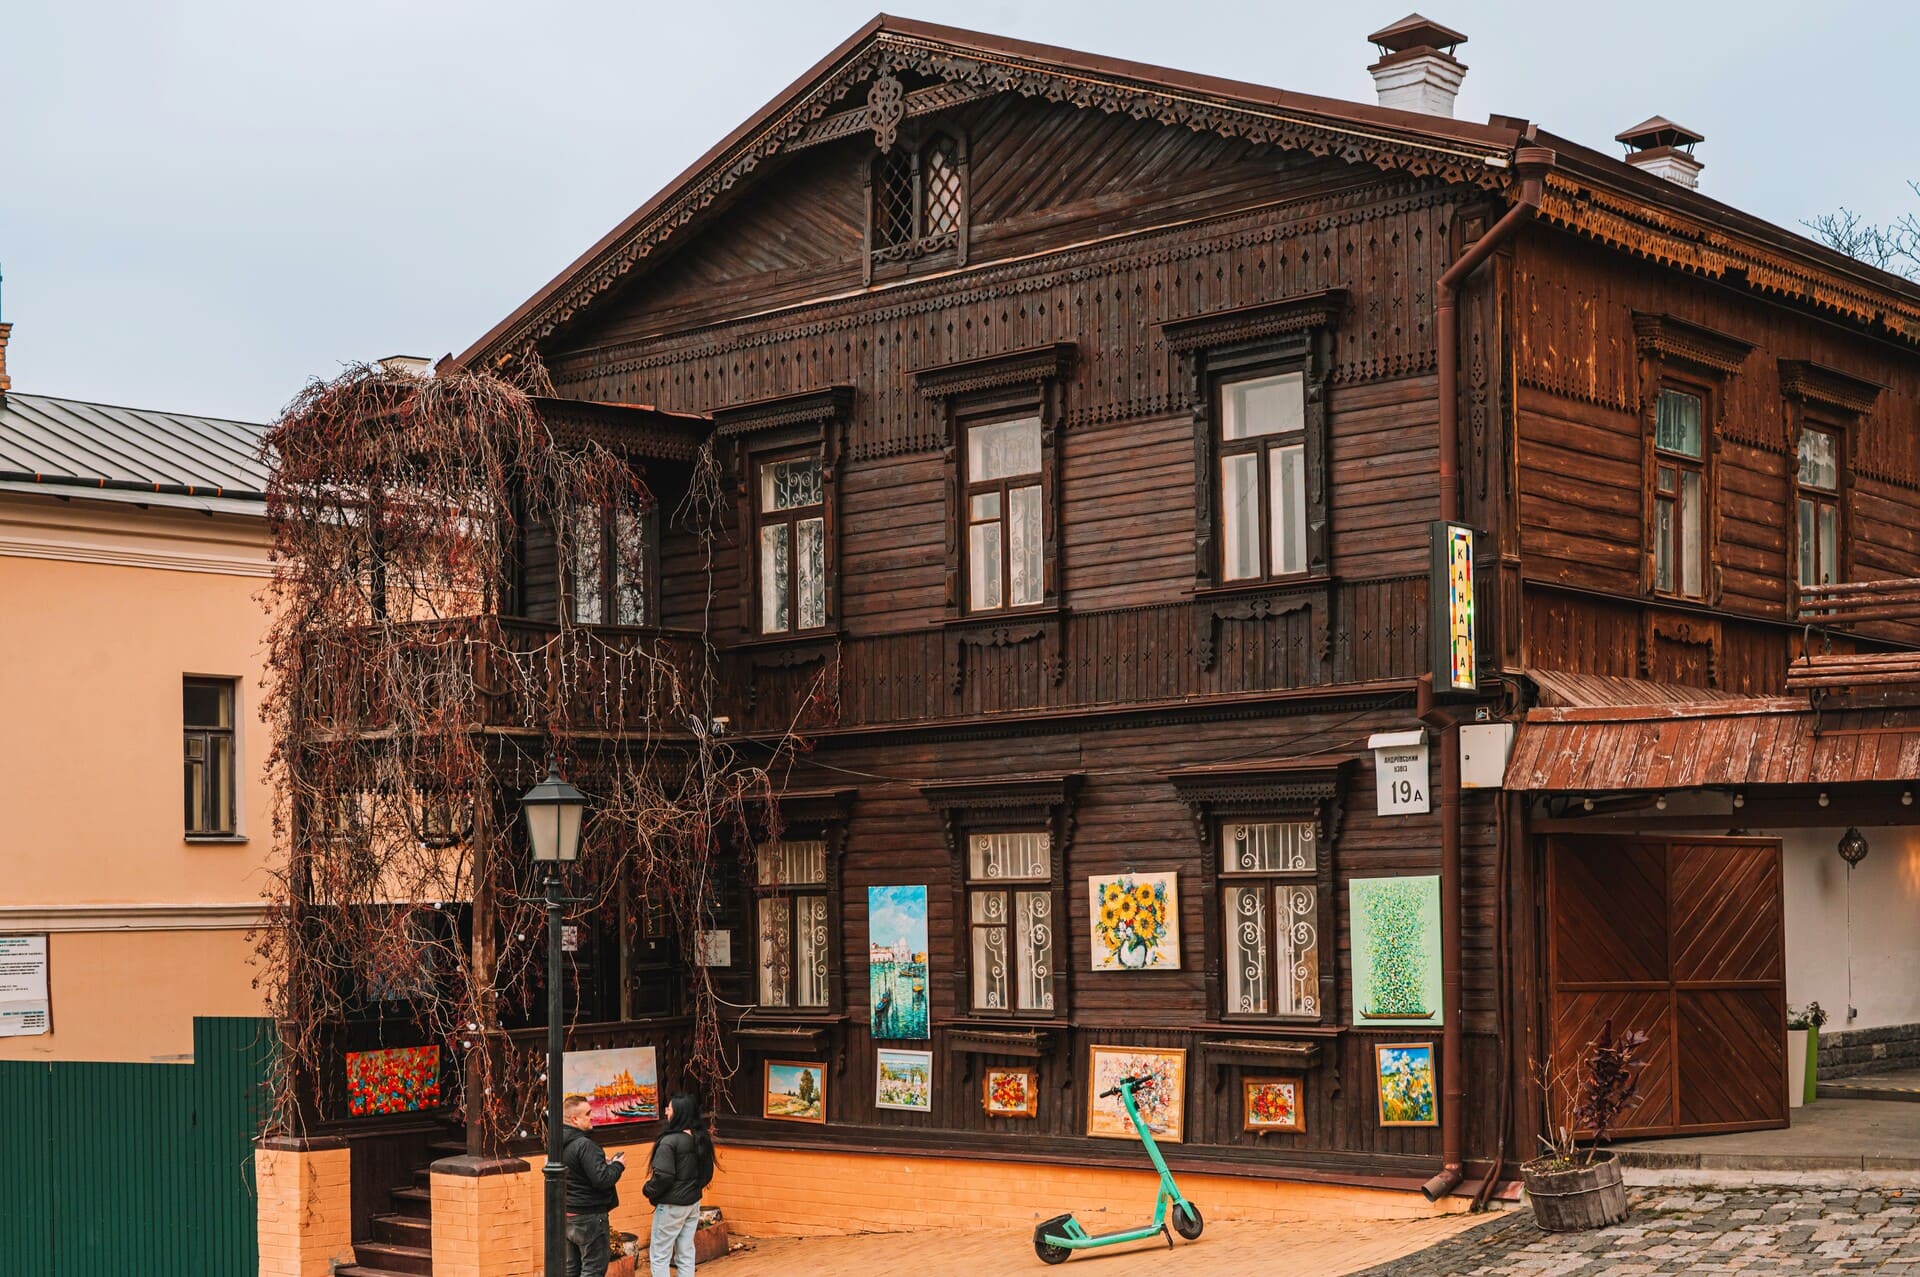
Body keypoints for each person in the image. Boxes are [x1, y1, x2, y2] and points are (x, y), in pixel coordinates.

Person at [643, 1092, 715, 1277]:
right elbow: (707, 1174)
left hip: (671, 1206)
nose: (666, 1111)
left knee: (660, 1256)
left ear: (679, 1113)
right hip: (692, 1203)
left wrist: (648, 1190)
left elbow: (663, 1177)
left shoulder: (669, 1141)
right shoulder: (701, 1137)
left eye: (669, 1107)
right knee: (685, 1252)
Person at [559, 1093, 626, 1277]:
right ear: (574, 1119)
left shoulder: (556, 1144)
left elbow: (577, 1171)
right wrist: (618, 1165)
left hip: (568, 1213)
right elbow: (602, 1180)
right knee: (593, 1269)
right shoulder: (584, 1145)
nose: (592, 1117)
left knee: (572, 1268)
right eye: (588, 1114)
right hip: (589, 1216)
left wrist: (598, 1163)